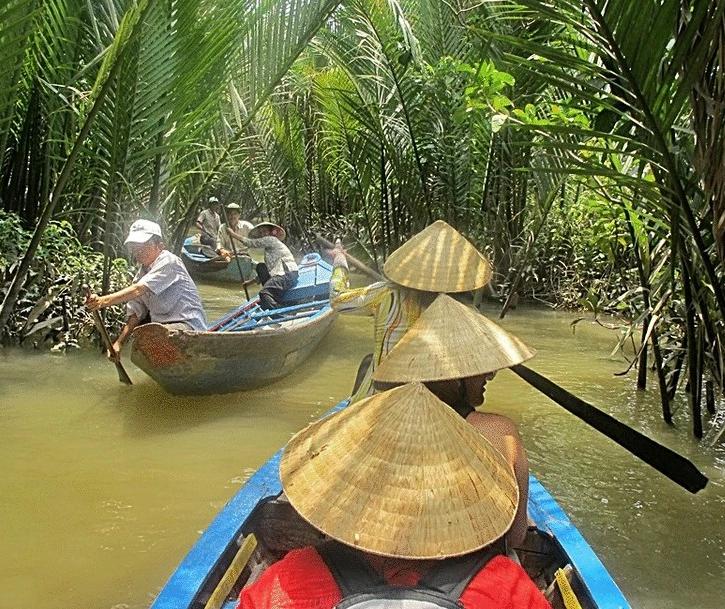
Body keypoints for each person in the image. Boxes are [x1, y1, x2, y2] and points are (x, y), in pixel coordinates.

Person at [237, 382, 551, 609]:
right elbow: (517, 534)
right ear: (453, 502)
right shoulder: (507, 587)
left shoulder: (286, 584)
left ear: (342, 497)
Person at [372, 293, 537, 549]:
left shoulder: (376, 423)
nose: (491, 374)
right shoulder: (500, 432)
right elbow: (515, 537)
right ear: (452, 376)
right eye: (479, 367)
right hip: (472, 571)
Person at [328, 220, 492, 397]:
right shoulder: (467, 311)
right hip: (438, 402)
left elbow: (338, 299)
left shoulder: (387, 293)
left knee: (369, 363)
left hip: (382, 397)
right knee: (368, 362)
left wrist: (340, 264)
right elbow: (488, 372)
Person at [84, 219, 207, 360]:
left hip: (189, 326)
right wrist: (118, 343)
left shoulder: (169, 261)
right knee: (144, 336)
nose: (138, 252)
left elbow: (138, 290)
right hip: (163, 330)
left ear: (159, 246)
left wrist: (102, 301)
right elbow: (136, 314)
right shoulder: (141, 275)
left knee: (152, 335)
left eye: (144, 246)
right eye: (135, 247)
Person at [227, 221, 298, 311]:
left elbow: (251, 243)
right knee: (261, 267)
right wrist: (249, 283)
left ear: (270, 232)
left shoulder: (271, 239)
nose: (263, 234)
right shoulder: (269, 250)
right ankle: (272, 298)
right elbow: (269, 270)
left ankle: (277, 312)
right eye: (261, 233)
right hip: (281, 274)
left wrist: (233, 234)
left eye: (265, 231)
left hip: (287, 274)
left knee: (264, 292)